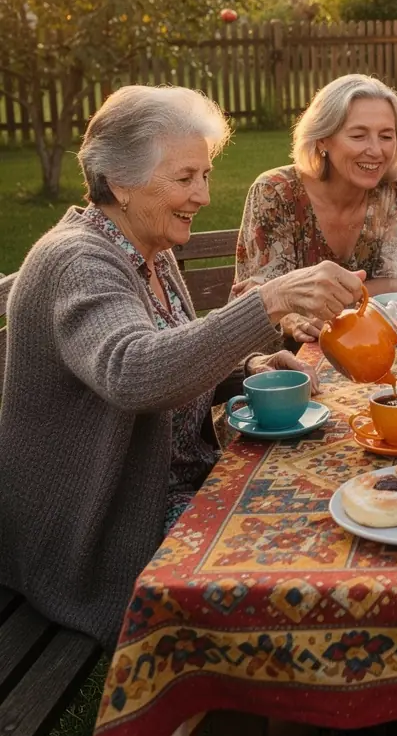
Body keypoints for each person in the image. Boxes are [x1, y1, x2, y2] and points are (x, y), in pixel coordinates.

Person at [0, 86, 365, 650]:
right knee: (291, 567)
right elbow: (133, 372)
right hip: (105, 530)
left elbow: (173, 353)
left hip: (179, 485)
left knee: (331, 504)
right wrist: (268, 303)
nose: (202, 194)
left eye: (206, 175)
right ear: (119, 181)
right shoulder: (76, 259)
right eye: (185, 177)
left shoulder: (147, 245)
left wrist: (249, 367)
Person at [235, 74, 397, 343]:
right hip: (285, 357)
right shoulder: (275, 192)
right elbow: (264, 301)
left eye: (386, 136)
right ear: (322, 139)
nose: (376, 150)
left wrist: (315, 302)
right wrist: (294, 312)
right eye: (358, 135)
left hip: (366, 341)